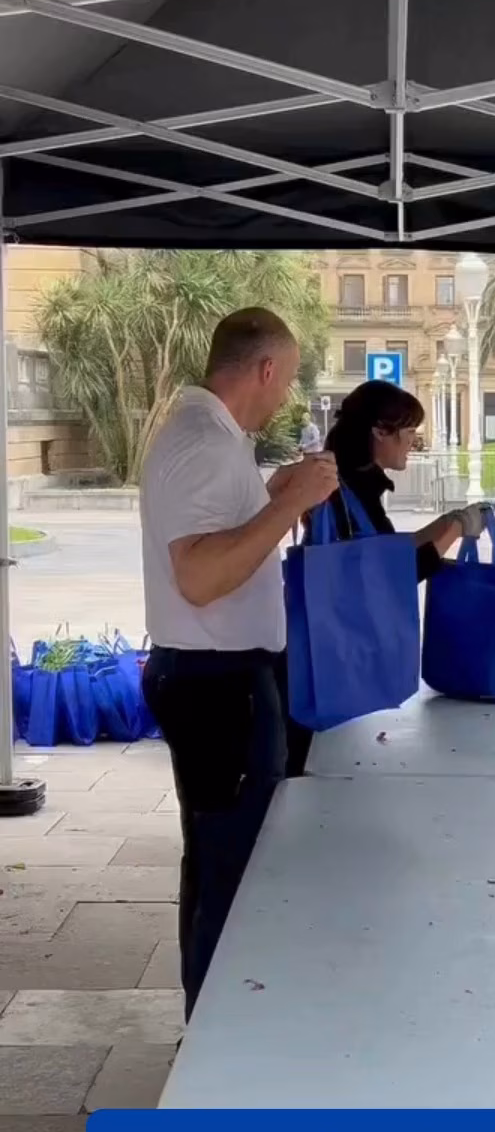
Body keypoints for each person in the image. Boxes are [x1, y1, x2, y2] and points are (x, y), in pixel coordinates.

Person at [140, 309, 339, 1019]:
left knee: (216, 858)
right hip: (219, 684)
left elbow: (219, 534)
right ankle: (224, 1031)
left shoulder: (213, 439)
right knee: (236, 868)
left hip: (215, 677)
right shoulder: (204, 444)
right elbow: (199, 575)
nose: (285, 396)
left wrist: (274, 492)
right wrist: (290, 507)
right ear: (265, 370)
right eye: (287, 380)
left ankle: (211, 1021)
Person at [320, 379, 488, 573]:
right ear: (380, 432)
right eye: (410, 431)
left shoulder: (349, 482)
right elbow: (394, 572)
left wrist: (447, 522)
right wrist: (457, 528)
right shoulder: (352, 493)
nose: (413, 441)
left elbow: (390, 548)